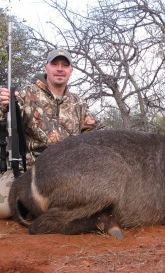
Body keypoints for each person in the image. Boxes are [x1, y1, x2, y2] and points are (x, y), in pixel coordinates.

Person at [0, 48, 104, 219]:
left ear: (71, 71)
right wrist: (4, 105)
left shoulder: (78, 102)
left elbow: (97, 132)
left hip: (69, 171)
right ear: (46, 67)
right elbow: (6, 117)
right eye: (54, 64)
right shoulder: (26, 94)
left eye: (65, 65)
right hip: (31, 170)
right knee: (3, 209)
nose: (60, 69)